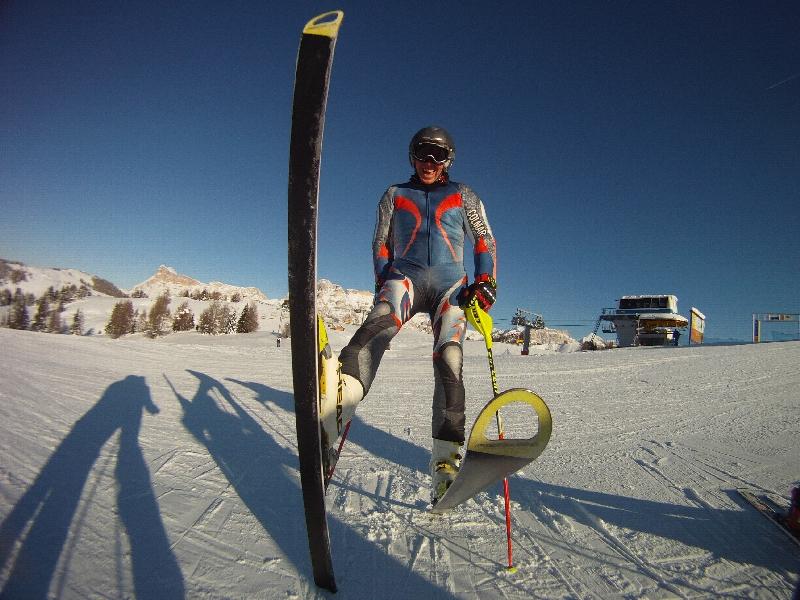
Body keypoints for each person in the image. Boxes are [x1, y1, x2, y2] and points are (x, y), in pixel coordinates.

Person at [319, 126, 497, 504]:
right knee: (377, 324)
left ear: (448, 160)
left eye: (437, 156)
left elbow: (484, 239)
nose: (429, 163)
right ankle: (338, 405)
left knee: (450, 357)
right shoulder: (395, 194)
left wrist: (485, 281)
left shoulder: (463, 195)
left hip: (453, 287)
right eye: (422, 154)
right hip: (407, 277)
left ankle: (445, 463)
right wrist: (385, 277)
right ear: (411, 156)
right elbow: (380, 241)